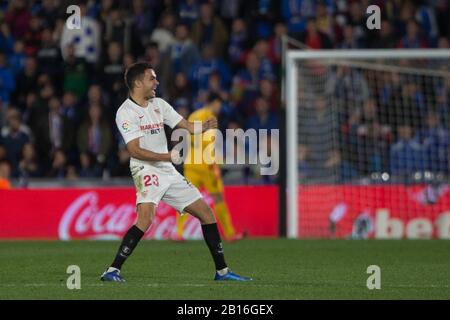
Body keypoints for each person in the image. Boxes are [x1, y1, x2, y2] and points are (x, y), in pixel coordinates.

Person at [101, 62, 252, 282]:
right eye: (152, 78)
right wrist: (166, 156)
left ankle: (222, 272)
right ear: (138, 82)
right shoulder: (125, 112)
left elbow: (188, 126)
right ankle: (112, 270)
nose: (157, 82)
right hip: (145, 169)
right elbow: (134, 150)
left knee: (207, 214)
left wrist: (205, 126)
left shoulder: (159, 104)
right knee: (145, 219)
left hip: (167, 169)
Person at [174, 93, 244, 242]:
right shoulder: (202, 116)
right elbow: (194, 138)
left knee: (187, 199)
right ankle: (229, 234)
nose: (220, 108)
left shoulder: (200, 115)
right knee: (213, 198)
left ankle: (179, 233)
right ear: (214, 102)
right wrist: (214, 161)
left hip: (195, 165)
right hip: (202, 166)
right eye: (219, 104)